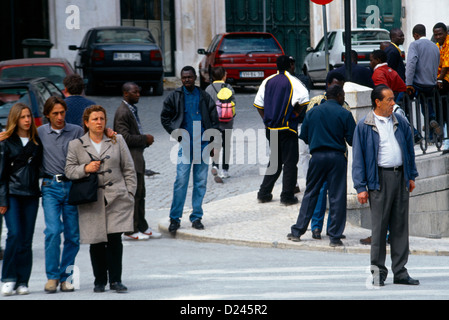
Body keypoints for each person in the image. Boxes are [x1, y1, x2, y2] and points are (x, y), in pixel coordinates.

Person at [352, 84, 419, 286]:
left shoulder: (401, 121)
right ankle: (377, 272)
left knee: (400, 226)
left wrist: (411, 176)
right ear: (377, 102)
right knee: (379, 228)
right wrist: (360, 187)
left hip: (400, 177)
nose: (393, 103)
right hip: (378, 180)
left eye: (393, 99)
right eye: (389, 100)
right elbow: (358, 159)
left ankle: (400, 271)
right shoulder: (364, 125)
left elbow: (409, 150)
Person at [65, 105, 137, 293]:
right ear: (86, 122)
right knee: (96, 241)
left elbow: (129, 168)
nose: (99, 122)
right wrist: (85, 169)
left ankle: (116, 280)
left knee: (115, 239)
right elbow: (69, 170)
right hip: (91, 199)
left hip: (117, 197)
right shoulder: (76, 145)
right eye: (95, 119)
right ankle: (99, 281)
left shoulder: (116, 140)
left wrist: (130, 193)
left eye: (102, 119)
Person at [288, 85, 355, 247]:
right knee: (337, 196)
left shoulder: (312, 113)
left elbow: (304, 136)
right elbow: (352, 140)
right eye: (343, 95)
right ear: (339, 96)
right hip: (337, 158)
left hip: (317, 157)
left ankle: (298, 231)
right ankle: (335, 236)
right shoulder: (344, 113)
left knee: (311, 193)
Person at [161, 66, 219, 234]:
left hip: (203, 144)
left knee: (200, 182)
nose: (187, 80)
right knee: (181, 181)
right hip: (185, 145)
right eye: (184, 77)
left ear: (195, 78)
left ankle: (196, 217)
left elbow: (214, 120)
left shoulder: (204, 96)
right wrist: (176, 134)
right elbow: (165, 117)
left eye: (190, 77)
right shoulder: (175, 96)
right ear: (181, 78)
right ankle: (174, 218)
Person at [36, 96, 85, 294]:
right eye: (55, 113)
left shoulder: (76, 131)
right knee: (53, 231)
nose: (59, 117)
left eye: (62, 113)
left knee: (73, 235)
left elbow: (90, 145)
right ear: (47, 114)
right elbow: (20, 137)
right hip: (50, 186)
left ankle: (67, 277)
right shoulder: (40, 132)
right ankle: (52, 277)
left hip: (72, 186)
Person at [254, 55, 309, 205]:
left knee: (275, 161)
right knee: (290, 162)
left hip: (270, 128)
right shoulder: (293, 81)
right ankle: (287, 196)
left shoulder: (267, 81)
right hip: (287, 128)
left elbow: (258, 104)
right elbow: (305, 99)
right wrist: (295, 114)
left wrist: (266, 120)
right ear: (290, 65)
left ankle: (264, 193)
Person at [0, 103, 43, 295]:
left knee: (26, 239)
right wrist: (2, 200)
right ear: (15, 119)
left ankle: (23, 281)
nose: (27, 120)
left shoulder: (37, 142)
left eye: (28, 116)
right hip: (12, 195)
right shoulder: (6, 141)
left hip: (32, 195)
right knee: (14, 234)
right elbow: (1, 174)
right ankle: (8, 277)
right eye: (23, 117)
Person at [307, 72, 352, 240]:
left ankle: (327, 228)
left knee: (331, 193)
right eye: (336, 85)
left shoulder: (316, 104)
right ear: (327, 85)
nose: (338, 89)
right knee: (327, 193)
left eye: (340, 86)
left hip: (324, 155)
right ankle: (321, 228)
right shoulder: (320, 103)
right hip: (333, 155)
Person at [114, 82, 160, 240]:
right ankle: (130, 229)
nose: (138, 94)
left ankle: (142, 226)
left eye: (138, 91)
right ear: (126, 94)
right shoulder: (122, 112)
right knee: (133, 195)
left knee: (141, 194)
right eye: (135, 92)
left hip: (137, 157)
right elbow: (123, 138)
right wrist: (144, 139)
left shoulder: (131, 109)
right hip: (130, 159)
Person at [406, 24, 441, 143]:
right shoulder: (435, 46)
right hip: (431, 84)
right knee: (427, 104)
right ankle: (431, 133)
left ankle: (414, 133)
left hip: (417, 84)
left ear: (416, 35)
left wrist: (408, 83)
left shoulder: (414, 45)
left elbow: (411, 64)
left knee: (402, 102)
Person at [205, 66, 236, 182]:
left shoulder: (208, 89)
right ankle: (225, 170)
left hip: (213, 123)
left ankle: (214, 165)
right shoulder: (228, 87)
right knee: (226, 145)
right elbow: (234, 104)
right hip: (227, 122)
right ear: (224, 76)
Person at [433, 22, 449, 153]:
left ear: (446, 33)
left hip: (446, 82)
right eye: (435, 34)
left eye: (440, 34)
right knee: (442, 112)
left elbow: (446, 65)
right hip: (440, 82)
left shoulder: (448, 43)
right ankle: (443, 140)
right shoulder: (438, 46)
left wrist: (439, 79)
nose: (438, 37)